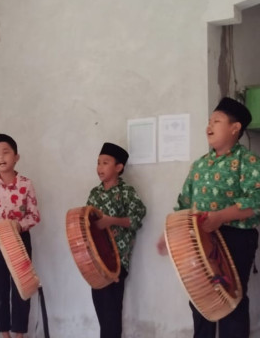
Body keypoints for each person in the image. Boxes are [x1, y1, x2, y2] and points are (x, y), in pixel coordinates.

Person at [157, 97, 260, 338]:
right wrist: (169, 236)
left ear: (235, 128)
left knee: (231, 299)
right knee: (201, 297)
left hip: (236, 238)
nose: (209, 126)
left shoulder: (247, 161)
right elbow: (183, 204)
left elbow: (257, 199)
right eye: (208, 121)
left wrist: (221, 217)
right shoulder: (200, 165)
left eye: (217, 121)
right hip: (200, 239)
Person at [0, 133, 40, 338]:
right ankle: (4, 334)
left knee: (22, 289)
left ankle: (19, 334)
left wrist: (17, 226)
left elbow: (35, 215)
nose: (1, 157)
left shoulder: (26, 184)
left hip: (21, 241)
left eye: (6, 152)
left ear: (16, 157)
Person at [86, 142, 146, 338]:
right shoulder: (94, 194)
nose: (99, 168)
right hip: (97, 262)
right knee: (102, 311)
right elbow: (86, 222)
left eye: (105, 163)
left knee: (112, 312)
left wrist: (111, 221)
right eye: (98, 163)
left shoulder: (127, 192)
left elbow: (137, 219)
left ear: (118, 167)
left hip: (118, 262)